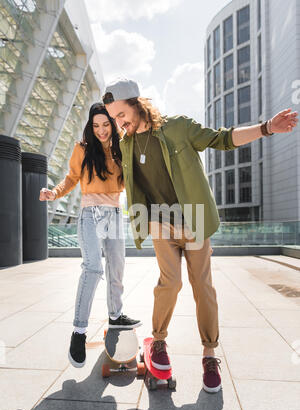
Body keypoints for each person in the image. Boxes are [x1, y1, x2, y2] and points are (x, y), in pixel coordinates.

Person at [103, 77, 299, 393]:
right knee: (171, 282)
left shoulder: (178, 127)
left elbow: (221, 138)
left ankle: (209, 353)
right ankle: (159, 342)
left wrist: (267, 128)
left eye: (121, 114)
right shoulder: (125, 144)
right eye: (114, 118)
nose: (119, 122)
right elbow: (121, 178)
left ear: (137, 104)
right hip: (159, 223)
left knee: (202, 286)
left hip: (193, 219)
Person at [39, 103, 142, 368]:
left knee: (117, 267)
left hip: (115, 213)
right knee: (93, 269)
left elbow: (134, 178)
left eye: (105, 124)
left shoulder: (122, 148)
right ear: (90, 126)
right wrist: (54, 193)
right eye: (95, 126)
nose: (101, 130)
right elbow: (72, 178)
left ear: (113, 124)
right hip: (91, 213)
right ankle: (79, 331)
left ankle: (116, 316)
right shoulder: (83, 148)